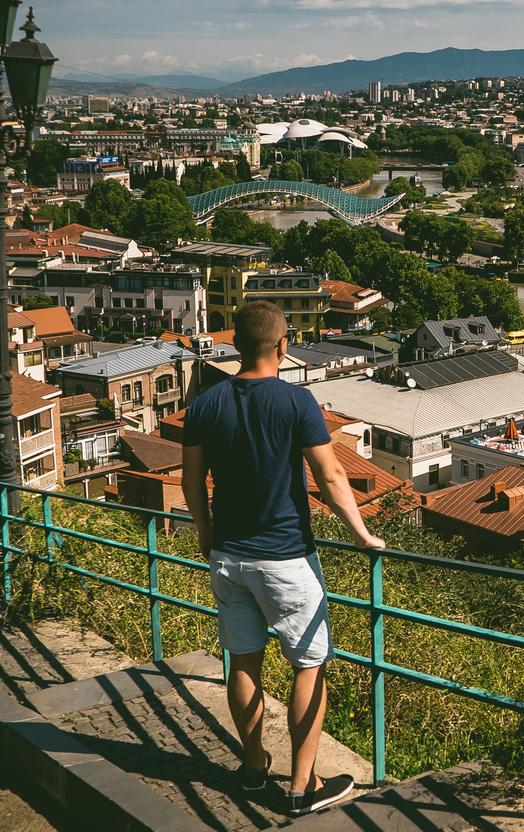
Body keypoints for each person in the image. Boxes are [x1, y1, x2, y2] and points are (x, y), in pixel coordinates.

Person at [182, 301, 387, 817]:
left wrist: (205, 533)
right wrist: (362, 535)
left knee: (243, 662)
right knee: (309, 665)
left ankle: (253, 769)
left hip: (228, 557)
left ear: (234, 344)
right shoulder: (298, 402)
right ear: (283, 344)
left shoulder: (205, 403)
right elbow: (331, 477)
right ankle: (302, 788)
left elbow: (190, 482)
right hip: (285, 558)